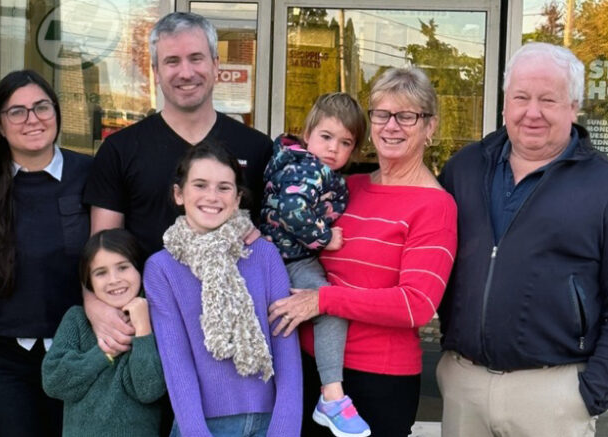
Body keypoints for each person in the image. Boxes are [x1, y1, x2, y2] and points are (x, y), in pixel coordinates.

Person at [268, 67, 457, 437]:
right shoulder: (345, 186)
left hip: (377, 380)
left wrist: (324, 300)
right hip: (303, 366)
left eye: (407, 116)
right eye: (382, 114)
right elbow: (292, 237)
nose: (391, 126)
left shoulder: (436, 206)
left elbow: (415, 304)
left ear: (430, 127)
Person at [437, 42, 608, 437]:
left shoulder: (601, 184)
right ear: (504, 104)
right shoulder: (464, 168)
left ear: (574, 107)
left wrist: (593, 389)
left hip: (554, 394)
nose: (532, 112)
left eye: (548, 99)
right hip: (464, 385)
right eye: (521, 97)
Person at [83, 11, 273, 358]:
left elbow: (268, 247)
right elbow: (101, 247)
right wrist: (95, 306)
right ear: (155, 72)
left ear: (216, 64)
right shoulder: (120, 150)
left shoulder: (256, 149)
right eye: (172, 61)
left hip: (232, 337)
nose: (186, 72)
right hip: (144, 333)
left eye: (196, 58)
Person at [0, 70, 92, 436]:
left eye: (41, 107)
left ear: (57, 113)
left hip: (74, 352)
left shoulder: (90, 174)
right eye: (16, 112)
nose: (32, 119)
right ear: (0, 126)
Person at [144, 142, 303, 436]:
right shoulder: (161, 268)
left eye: (224, 187)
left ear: (238, 197)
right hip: (202, 426)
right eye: (200, 185)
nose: (212, 197)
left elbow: (286, 349)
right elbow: (176, 362)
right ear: (179, 194)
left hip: (269, 422)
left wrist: (285, 428)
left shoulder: (264, 255)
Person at [259, 92, 370, 437]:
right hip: (291, 258)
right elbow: (293, 210)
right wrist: (324, 238)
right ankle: (332, 396)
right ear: (308, 133)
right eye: (326, 136)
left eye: (345, 142)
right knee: (331, 305)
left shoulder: (304, 164)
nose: (334, 148)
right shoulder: (309, 167)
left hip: (283, 255)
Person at [42, 229, 166, 437]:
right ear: (88, 281)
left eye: (123, 267)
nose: (113, 279)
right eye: (101, 272)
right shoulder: (77, 319)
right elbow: (54, 382)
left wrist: (143, 329)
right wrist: (105, 353)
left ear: (139, 269)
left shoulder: (155, 319)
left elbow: (148, 390)